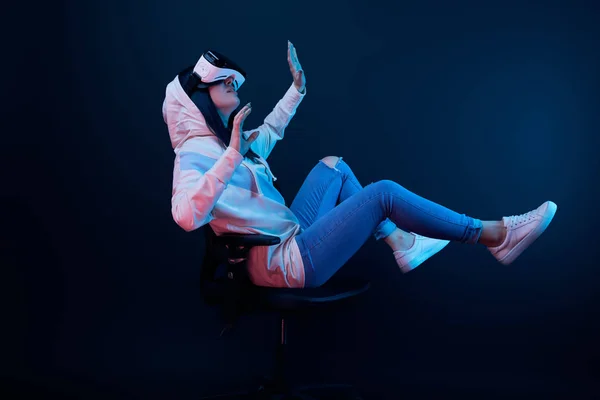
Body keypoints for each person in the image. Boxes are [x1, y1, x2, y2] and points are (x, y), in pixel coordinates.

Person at [162, 42, 557, 289]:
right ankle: (492, 235)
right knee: (382, 192)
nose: (232, 83)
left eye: (232, 80)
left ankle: (400, 243)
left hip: (286, 237)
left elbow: (267, 134)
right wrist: (231, 153)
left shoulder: (222, 141)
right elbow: (184, 215)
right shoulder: (195, 154)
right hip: (279, 261)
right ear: (197, 98)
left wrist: (296, 89)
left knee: (333, 165)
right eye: (222, 82)